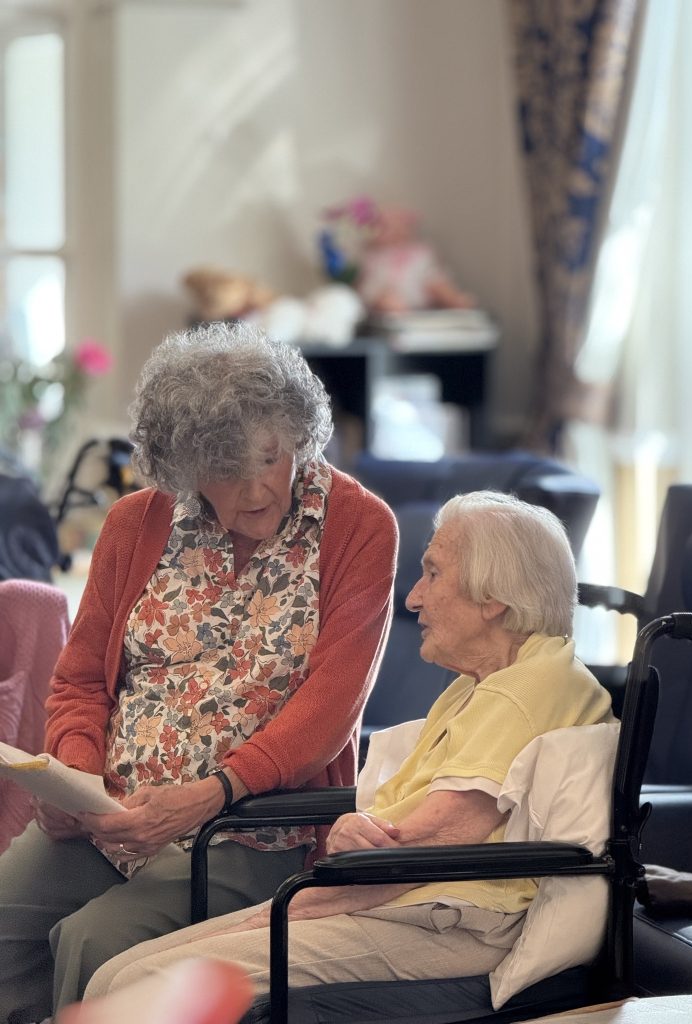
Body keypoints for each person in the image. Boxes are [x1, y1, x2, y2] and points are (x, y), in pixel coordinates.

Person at [82, 491, 615, 1015]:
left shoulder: (519, 690)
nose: (413, 599)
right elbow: (424, 832)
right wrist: (351, 843)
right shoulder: (491, 683)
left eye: (433, 574)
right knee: (114, 978)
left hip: (447, 918)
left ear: (492, 597)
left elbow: (439, 839)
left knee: (137, 984)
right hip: (407, 901)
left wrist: (308, 893)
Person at [0, 322, 398, 1023]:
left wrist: (213, 792)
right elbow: (81, 681)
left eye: (271, 458)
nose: (254, 491)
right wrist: (79, 776)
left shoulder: (360, 526)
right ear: (181, 468)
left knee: (95, 944)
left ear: (299, 436)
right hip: (112, 818)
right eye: (224, 471)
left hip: (247, 829)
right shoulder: (136, 523)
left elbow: (333, 705)